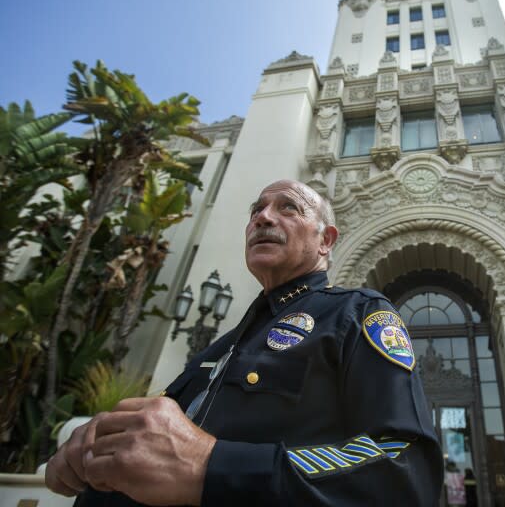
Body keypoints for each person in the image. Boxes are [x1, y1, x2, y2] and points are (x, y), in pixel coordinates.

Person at [45, 179, 444, 506]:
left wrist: (211, 464)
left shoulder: (357, 314)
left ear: (326, 240)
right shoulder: (217, 348)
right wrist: (104, 444)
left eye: (288, 207)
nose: (263, 218)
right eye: (256, 210)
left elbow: (403, 467)